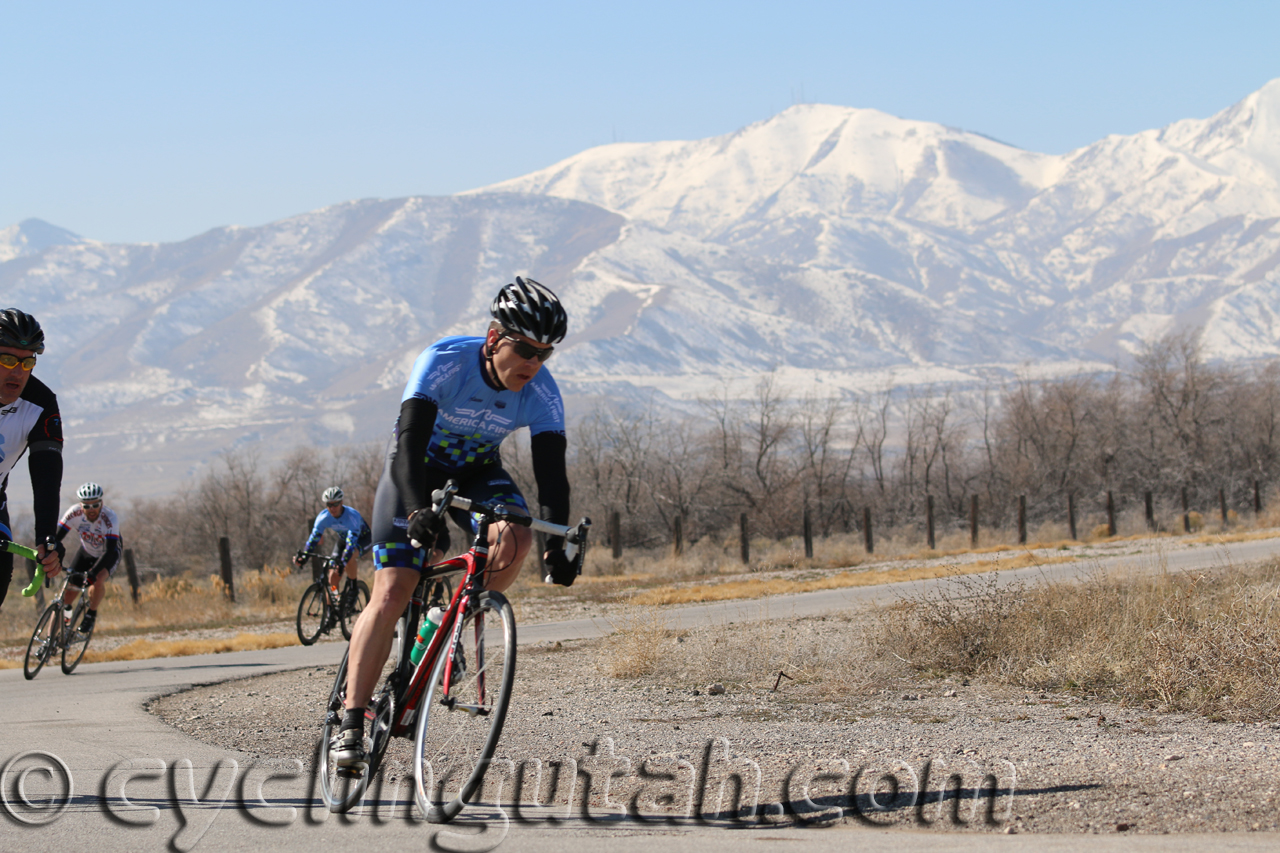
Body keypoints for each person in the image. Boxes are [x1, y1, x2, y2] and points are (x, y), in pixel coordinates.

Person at [334, 276, 577, 773]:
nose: (534, 363)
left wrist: (557, 545)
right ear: (493, 340)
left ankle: (445, 630)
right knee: (394, 588)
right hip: (415, 472)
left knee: (517, 537)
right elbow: (406, 446)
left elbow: (552, 476)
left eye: (545, 354)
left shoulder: (542, 393)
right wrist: (418, 507)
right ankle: (351, 721)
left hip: (476, 473)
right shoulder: (444, 362)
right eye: (526, 349)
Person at [0, 308, 64, 612]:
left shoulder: (40, 404)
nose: (17, 371)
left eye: (27, 362)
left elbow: (46, 477)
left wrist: (47, 539)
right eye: (8, 359)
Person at [55, 482, 122, 634]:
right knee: (69, 590)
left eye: (95, 505)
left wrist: (92, 572)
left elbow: (109, 550)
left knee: (97, 580)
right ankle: (51, 637)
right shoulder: (74, 513)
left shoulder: (110, 518)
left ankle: (91, 613)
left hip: (108, 554)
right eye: (87, 506)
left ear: (102, 502)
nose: (91, 509)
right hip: (87, 551)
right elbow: (57, 537)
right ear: (81, 505)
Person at [293, 486, 370, 612]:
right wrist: (304, 557)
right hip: (344, 540)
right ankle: (332, 610)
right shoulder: (323, 517)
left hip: (362, 539)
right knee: (332, 577)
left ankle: (353, 588)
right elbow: (313, 539)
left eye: (336, 504)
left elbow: (351, 545)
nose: (332, 508)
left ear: (342, 503)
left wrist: (343, 562)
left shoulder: (352, 516)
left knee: (349, 558)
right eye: (329, 504)